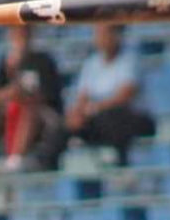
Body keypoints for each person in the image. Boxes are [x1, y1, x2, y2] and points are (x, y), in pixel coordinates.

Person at [37, 24, 155, 168]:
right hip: (96, 117)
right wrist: (78, 114)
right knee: (62, 126)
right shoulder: (91, 64)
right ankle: (48, 171)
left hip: (131, 118)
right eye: (97, 34)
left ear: (116, 36)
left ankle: (121, 165)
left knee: (114, 117)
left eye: (104, 34)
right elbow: (83, 97)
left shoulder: (130, 61)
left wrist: (93, 109)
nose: (100, 38)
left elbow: (124, 96)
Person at [0, 26, 63, 172]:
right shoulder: (4, 61)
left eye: (23, 32)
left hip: (42, 112)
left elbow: (48, 95)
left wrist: (23, 94)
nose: (20, 37)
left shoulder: (43, 60)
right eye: (16, 33)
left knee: (29, 106)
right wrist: (10, 90)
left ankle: (16, 159)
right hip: (11, 108)